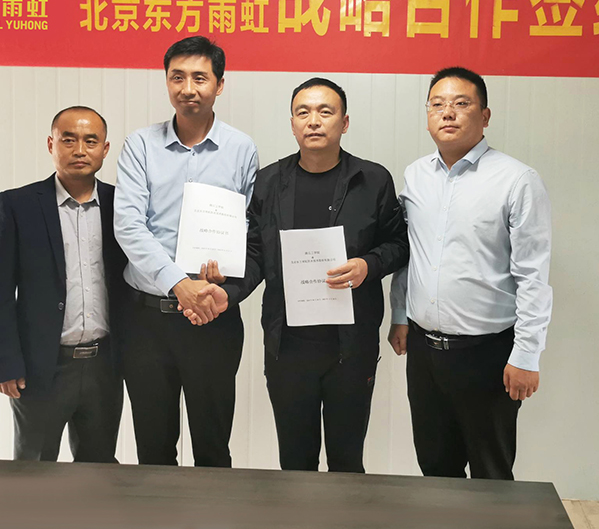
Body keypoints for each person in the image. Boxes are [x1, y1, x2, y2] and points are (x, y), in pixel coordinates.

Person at [197, 78, 408, 473]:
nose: (314, 121)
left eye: (325, 112)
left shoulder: (373, 180)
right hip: (288, 348)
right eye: (303, 112)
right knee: (295, 464)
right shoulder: (269, 182)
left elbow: (399, 244)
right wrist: (230, 292)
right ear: (292, 124)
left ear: (345, 123)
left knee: (347, 462)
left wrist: (368, 265)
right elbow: (256, 254)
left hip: (351, 348)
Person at [388, 67, 553, 480]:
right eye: (437, 104)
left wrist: (527, 355)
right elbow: (410, 254)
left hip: (488, 354)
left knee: (491, 474)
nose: (448, 113)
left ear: (485, 115)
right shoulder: (415, 176)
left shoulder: (517, 180)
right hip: (424, 353)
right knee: (435, 468)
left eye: (461, 104)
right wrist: (400, 315)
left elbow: (533, 275)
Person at [114, 36, 258, 467]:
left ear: (220, 84)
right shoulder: (140, 145)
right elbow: (128, 226)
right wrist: (179, 283)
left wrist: (224, 277)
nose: (188, 88)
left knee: (213, 449)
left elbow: (248, 229)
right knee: (154, 451)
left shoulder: (241, 148)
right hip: (146, 321)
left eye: (200, 78)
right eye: (177, 77)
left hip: (212, 319)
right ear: (166, 82)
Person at [0, 106, 126, 462]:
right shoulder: (17, 205)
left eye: (90, 141)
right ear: (51, 144)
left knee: (98, 471)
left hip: (104, 366)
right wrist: (5, 361)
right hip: (41, 367)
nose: (80, 150)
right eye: (68, 140)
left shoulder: (122, 205)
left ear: (105, 149)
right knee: (33, 471)